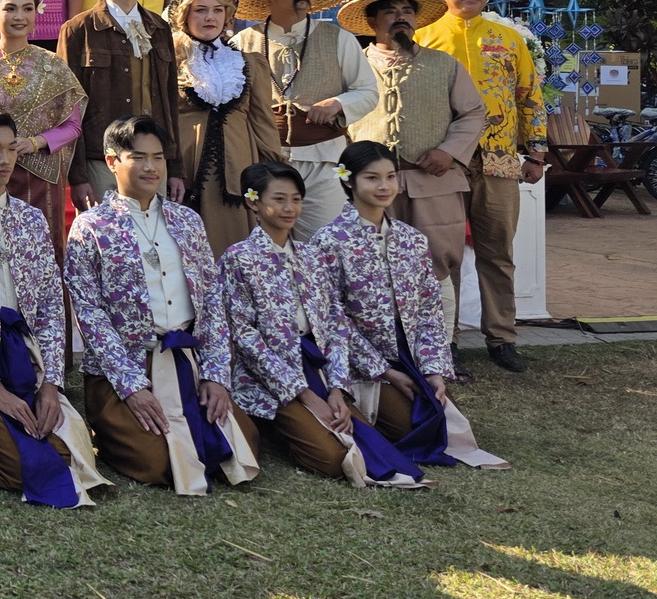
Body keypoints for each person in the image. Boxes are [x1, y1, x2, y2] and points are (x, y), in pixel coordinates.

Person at [65, 114, 261, 495]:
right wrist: (132, 386)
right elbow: (88, 314)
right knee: (154, 462)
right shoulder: (91, 226)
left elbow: (212, 301)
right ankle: (112, 423)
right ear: (112, 162)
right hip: (127, 367)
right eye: (138, 157)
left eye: (158, 157)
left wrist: (217, 375)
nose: (151, 167)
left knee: (241, 446)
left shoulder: (186, 220)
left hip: (188, 360)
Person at [0, 108, 113, 506]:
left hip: (28, 361)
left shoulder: (31, 219)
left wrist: (50, 384)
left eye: (11, 149)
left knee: (68, 454)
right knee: (16, 468)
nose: (4, 159)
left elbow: (49, 302)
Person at [220, 162, 426, 488]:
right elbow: (244, 335)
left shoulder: (310, 254)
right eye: (280, 199)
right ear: (253, 201)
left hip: (318, 365)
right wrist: (302, 393)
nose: (290, 208)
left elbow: (335, 322)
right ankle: (276, 424)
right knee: (332, 459)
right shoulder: (237, 258)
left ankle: (309, 417)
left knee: (363, 438)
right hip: (272, 373)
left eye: (297, 199)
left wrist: (336, 389)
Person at [309, 141, 509, 468]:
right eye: (372, 178)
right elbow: (332, 321)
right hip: (360, 362)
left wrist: (433, 370)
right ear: (348, 180)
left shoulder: (411, 239)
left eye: (390, 177)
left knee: (437, 419)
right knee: (410, 425)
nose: (384, 186)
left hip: (408, 355)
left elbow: (430, 310)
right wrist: (384, 370)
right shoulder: (328, 241)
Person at [415, 0, 548, 375]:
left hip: (499, 157)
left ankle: (502, 338)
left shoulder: (509, 40)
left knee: (497, 251)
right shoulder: (423, 39)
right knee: (442, 252)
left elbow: (529, 95)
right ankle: (445, 340)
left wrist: (538, 152)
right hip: (442, 161)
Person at [343, 0, 486, 360]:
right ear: (372, 21)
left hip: (434, 180)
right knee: (370, 264)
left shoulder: (444, 65)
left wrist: (450, 152)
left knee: (438, 262)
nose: (401, 18)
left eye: (407, 11)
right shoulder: (352, 66)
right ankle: (382, 352)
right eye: (390, 11)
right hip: (367, 189)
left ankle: (443, 350)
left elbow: (473, 112)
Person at [229, 0, 377, 239]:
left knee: (325, 243)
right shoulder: (242, 42)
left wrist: (338, 103)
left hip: (324, 161)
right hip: (264, 159)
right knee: (266, 244)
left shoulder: (338, 38)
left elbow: (368, 91)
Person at [0, 0, 85, 254]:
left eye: (27, 9)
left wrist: (34, 142)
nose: (19, 17)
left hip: (39, 176)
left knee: (40, 252)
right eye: (10, 8)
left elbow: (72, 126)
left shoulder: (53, 64)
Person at [58, 0, 181, 209]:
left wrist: (176, 167)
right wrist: (77, 176)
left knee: (153, 238)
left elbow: (170, 101)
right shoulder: (79, 29)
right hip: (102, 158)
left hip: (153, 159)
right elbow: (68, 107)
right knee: (106, 242)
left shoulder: (159, 28)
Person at [167, 0, 285, 252]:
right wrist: (170, 168)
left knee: (237, 248)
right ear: (185, 15)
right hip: (186, 169)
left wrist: (274, 173)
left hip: (239, 168)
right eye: (201, 10)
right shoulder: (170, 61)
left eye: (217, 10)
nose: (210, 17)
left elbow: (262, 123)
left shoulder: (247, 63)